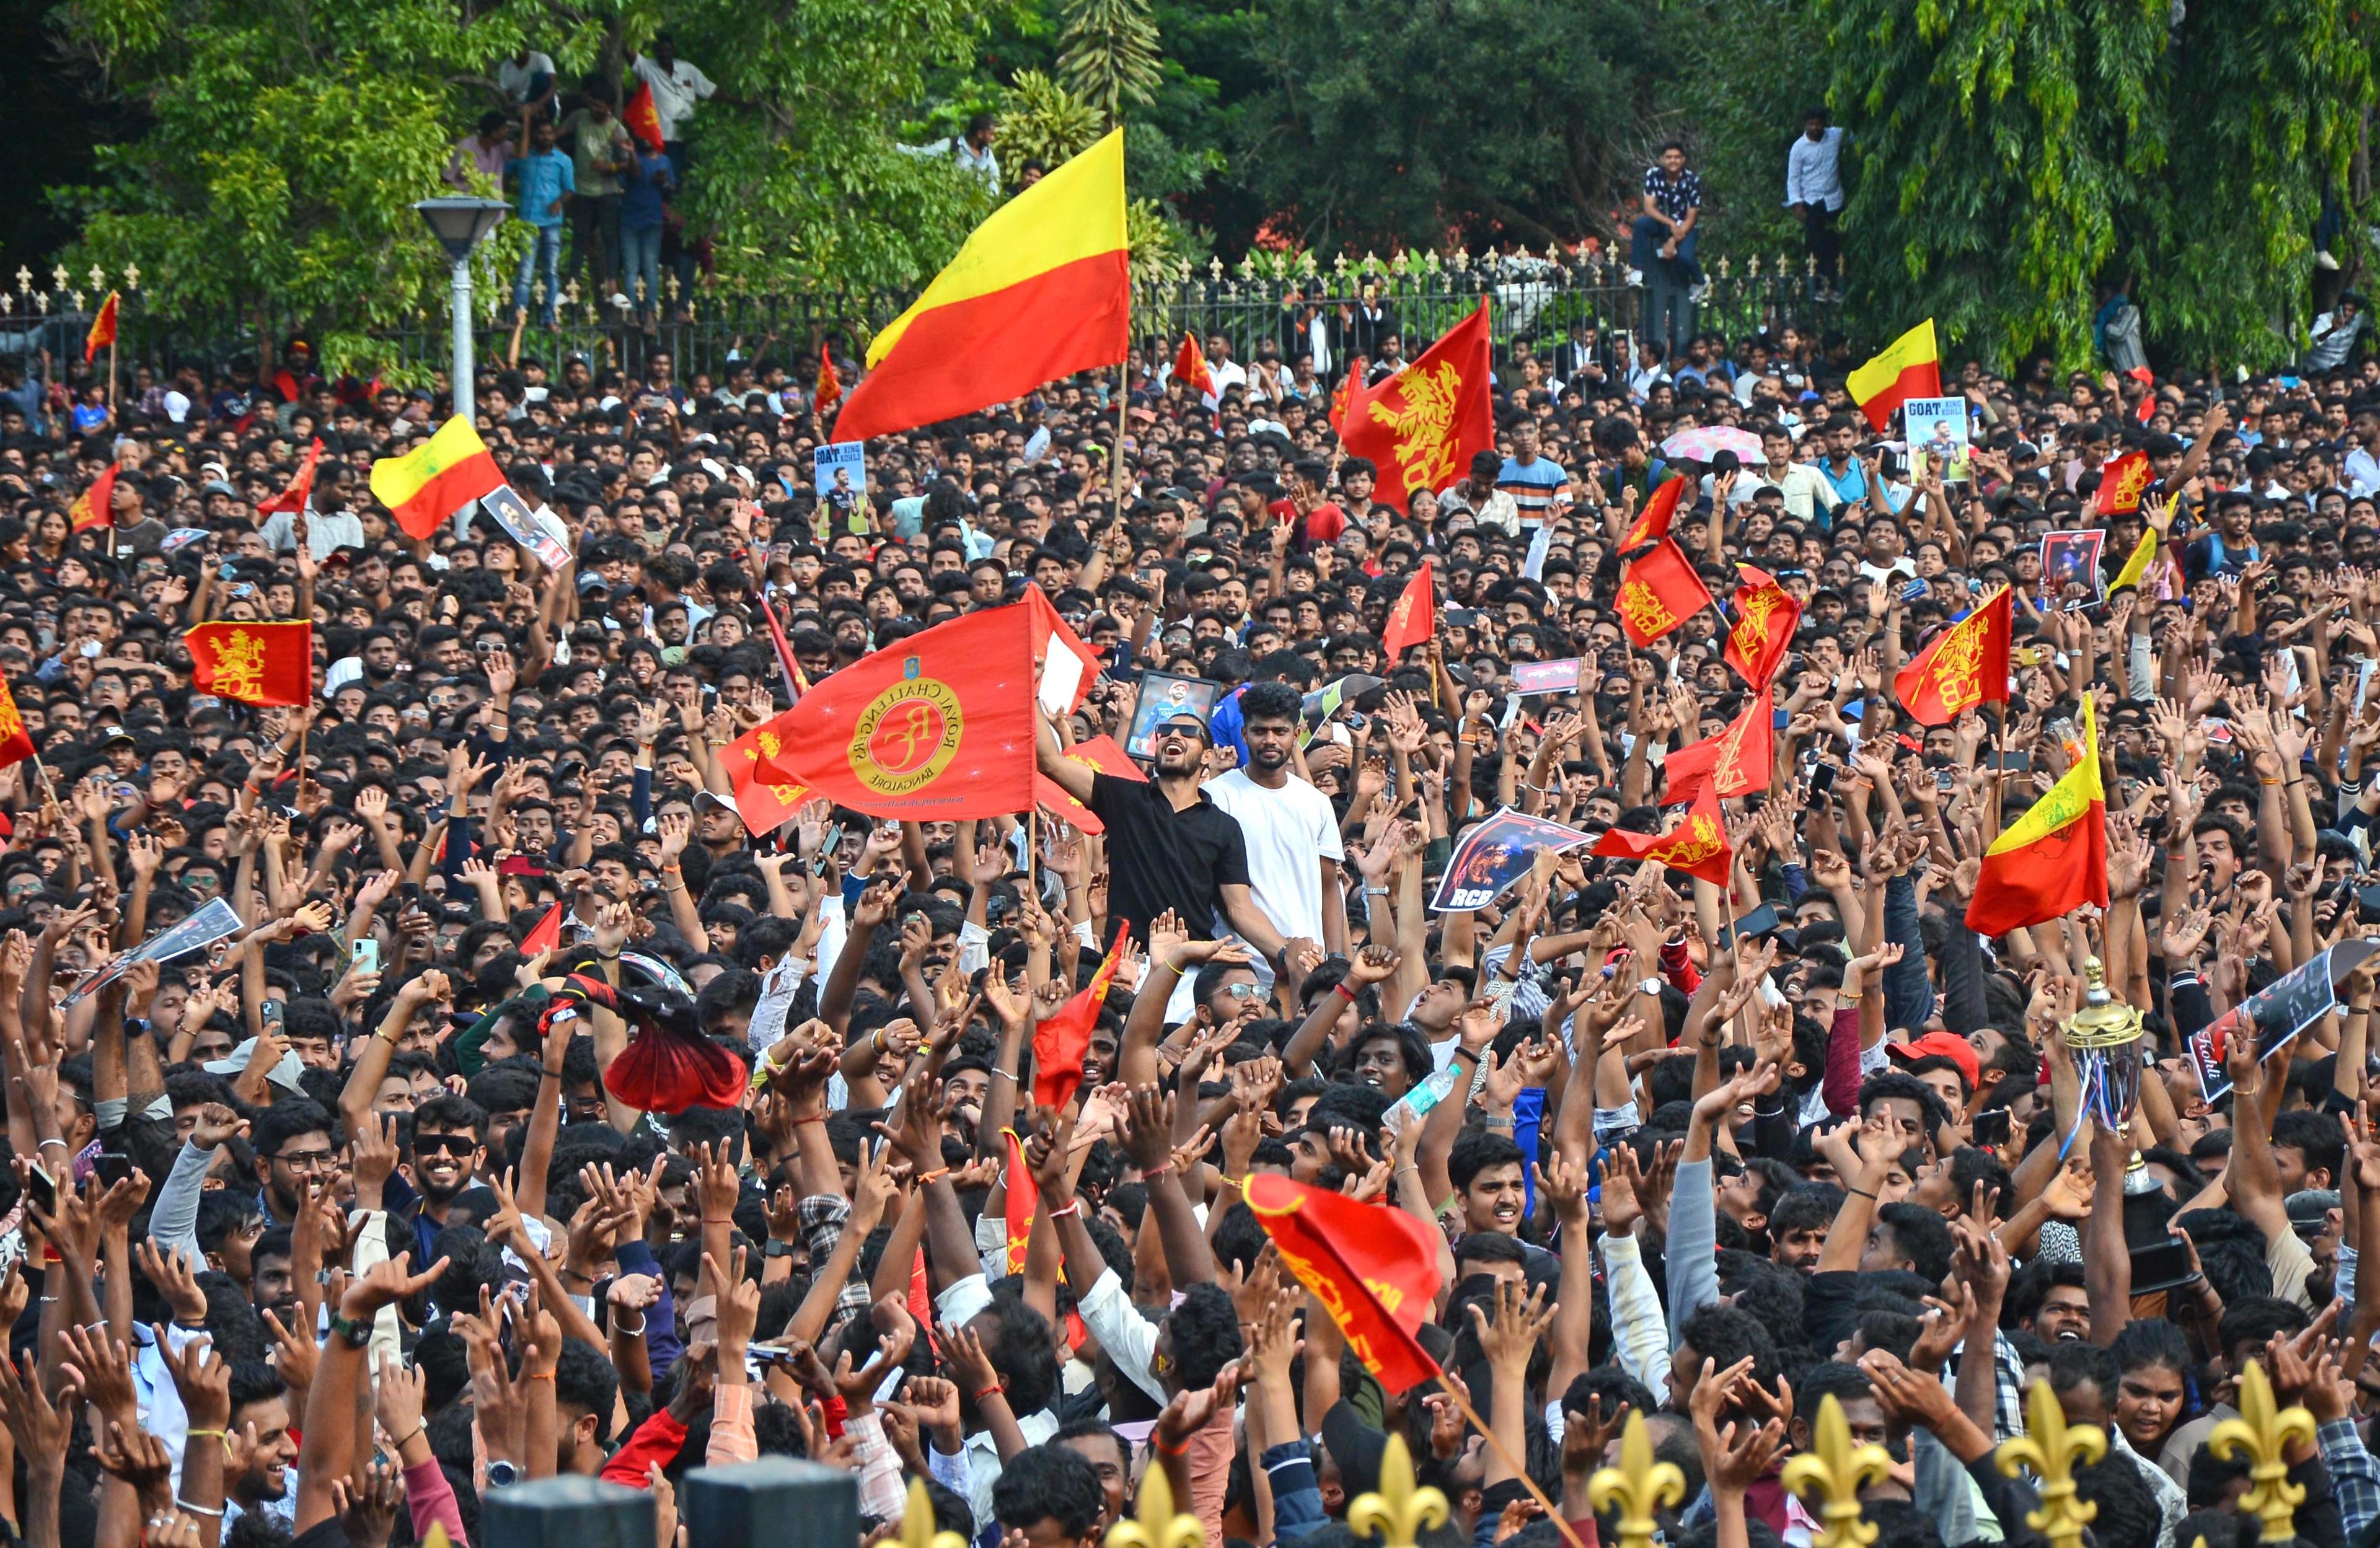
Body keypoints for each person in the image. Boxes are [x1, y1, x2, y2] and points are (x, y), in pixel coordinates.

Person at [558, 87, 636, 296]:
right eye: (593, 105)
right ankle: (572, 280)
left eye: (600, 106)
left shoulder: (616, 130)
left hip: (606, 191)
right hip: (582, 190)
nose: (595, 109)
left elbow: (627, 164)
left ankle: (612, 280)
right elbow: (559, 135)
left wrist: (610, 167)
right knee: (579, 236)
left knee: (610, 236)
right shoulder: (579, 118)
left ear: (609, 107)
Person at [508, 115, 576, 326]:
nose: (545, 137)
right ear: (535, 136)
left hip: (552, 222)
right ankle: (519, 315)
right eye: (541, 133)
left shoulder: (563, 160)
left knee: (551, 271)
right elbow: (505, 175)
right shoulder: (524, 157)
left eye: (549, 133)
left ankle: (549, 316)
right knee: (525, 274)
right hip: (528, 222)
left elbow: (570, 189)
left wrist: (559, 201)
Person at [627, 32, 716, 184]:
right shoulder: (648, 68)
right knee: (659, 178)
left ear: (673, 50)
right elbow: (629, 52)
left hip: (684, 137)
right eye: (661, 51)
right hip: (658, 137)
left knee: (679, 177)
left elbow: (711, 91)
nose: (665, 54)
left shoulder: (687, 69)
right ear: (655, 51)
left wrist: (741, 102)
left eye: (668, 50)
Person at [1784, 106, 1846, 297]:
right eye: (1811, 124)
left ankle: (1836, 285)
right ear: (1806, 125)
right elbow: (1793, 178)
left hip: (1834, 199)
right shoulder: (1799, 148)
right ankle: (1819, 286)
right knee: (1815, 245)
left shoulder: (1835, 136)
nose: (1815, 128)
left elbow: (1854, 136)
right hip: (1812, 201)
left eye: (1818, 124)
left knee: (1834, 244)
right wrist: (1797, 203)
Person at [1633, 140, 1704, 288]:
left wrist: (1673, 241)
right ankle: (1637, 270)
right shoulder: (1653, 175)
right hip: (1663, 222)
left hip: (1685, 226)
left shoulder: (1692, 180)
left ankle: (1699, 282)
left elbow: (1692, 216)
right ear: (1662, 160)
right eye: (1669, 157)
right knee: (1641, 224)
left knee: (1685, 257)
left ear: (1683, 160)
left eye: (1677, 157)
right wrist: (1670, 223)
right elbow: (1649, 207)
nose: (1673, 161)